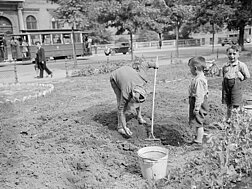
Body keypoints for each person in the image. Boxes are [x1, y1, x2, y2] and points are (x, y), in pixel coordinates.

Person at [110, 57, 159, 137]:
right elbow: (121, 110)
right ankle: (120, 127)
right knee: (120, 103)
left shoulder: (141, 78)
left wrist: (154, 65)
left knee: (138, 99)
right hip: (115, 77)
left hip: (128, 73)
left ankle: (139, 117)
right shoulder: (125, 94)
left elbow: (145, 64)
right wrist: (125, 128)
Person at [222, 45, 250, 123]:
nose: (232, 56)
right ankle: (228, 119)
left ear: (238, 55)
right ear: (227, 54)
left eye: (234, 54)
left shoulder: (241, 65)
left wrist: (241, 78)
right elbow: (223, 75)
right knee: (228, 103)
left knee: (235, 103)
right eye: (230, 54)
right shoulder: (225, 65)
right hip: (226, 86)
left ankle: (236, 120)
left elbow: (247, 76)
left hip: (236, 86)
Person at [188, 56, 209, 147]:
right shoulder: (198, 78)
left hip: (199, 103)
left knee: (198, 122)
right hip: (196, 101)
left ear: (195, 68)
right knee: (196, 122)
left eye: (190, 68)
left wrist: (197, 108)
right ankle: (197, 138)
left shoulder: (199, 80)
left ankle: (199, 141)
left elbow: (200, 95)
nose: (190, 70)